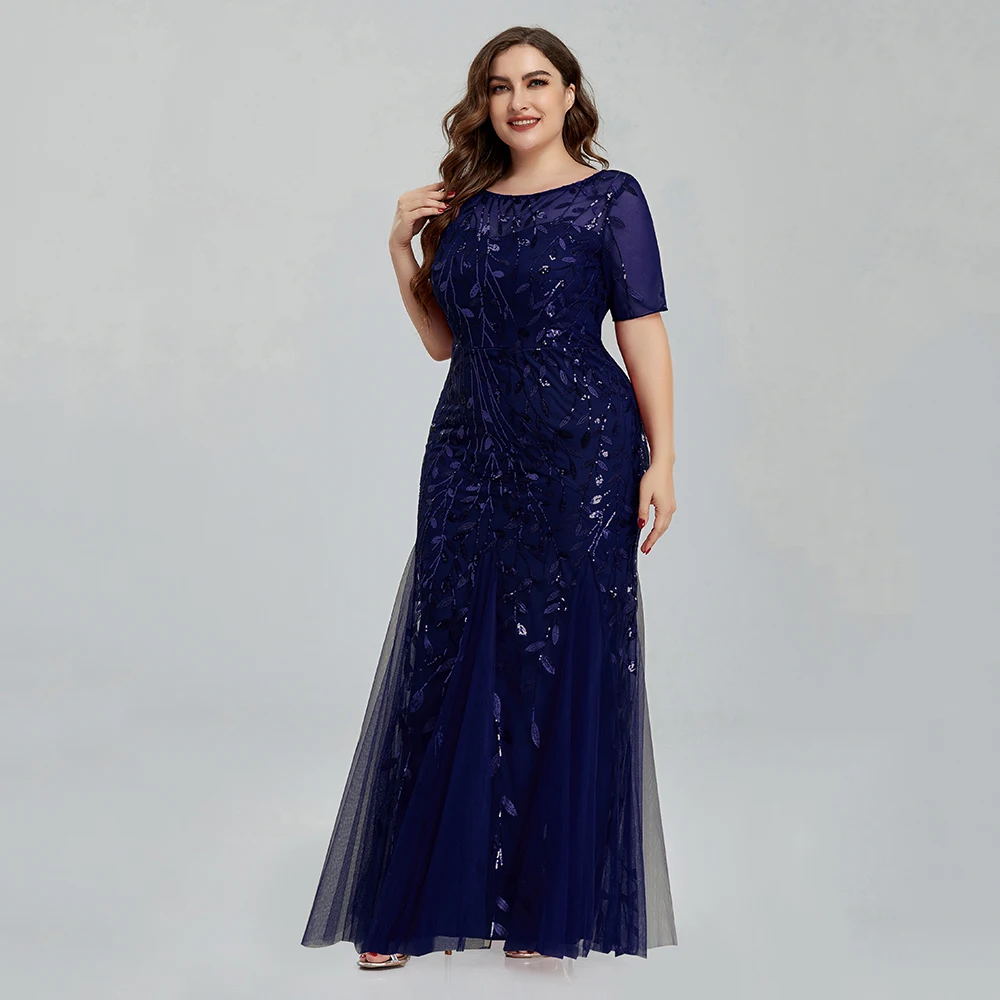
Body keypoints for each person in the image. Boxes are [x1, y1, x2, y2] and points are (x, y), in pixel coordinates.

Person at [300, 25, 679, 971]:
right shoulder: (462, 206)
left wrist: (663, 459)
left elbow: (642, 331)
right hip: (470, 451)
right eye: (501, 86)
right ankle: (412, 907)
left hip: (582, 452)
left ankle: (545, 910)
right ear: (484, 103)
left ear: (569, 94)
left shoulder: (611, 200)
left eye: (538, 82)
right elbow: (444, 342)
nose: (520, 101)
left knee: (558, 657)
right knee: (445, 654)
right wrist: (401, 249)